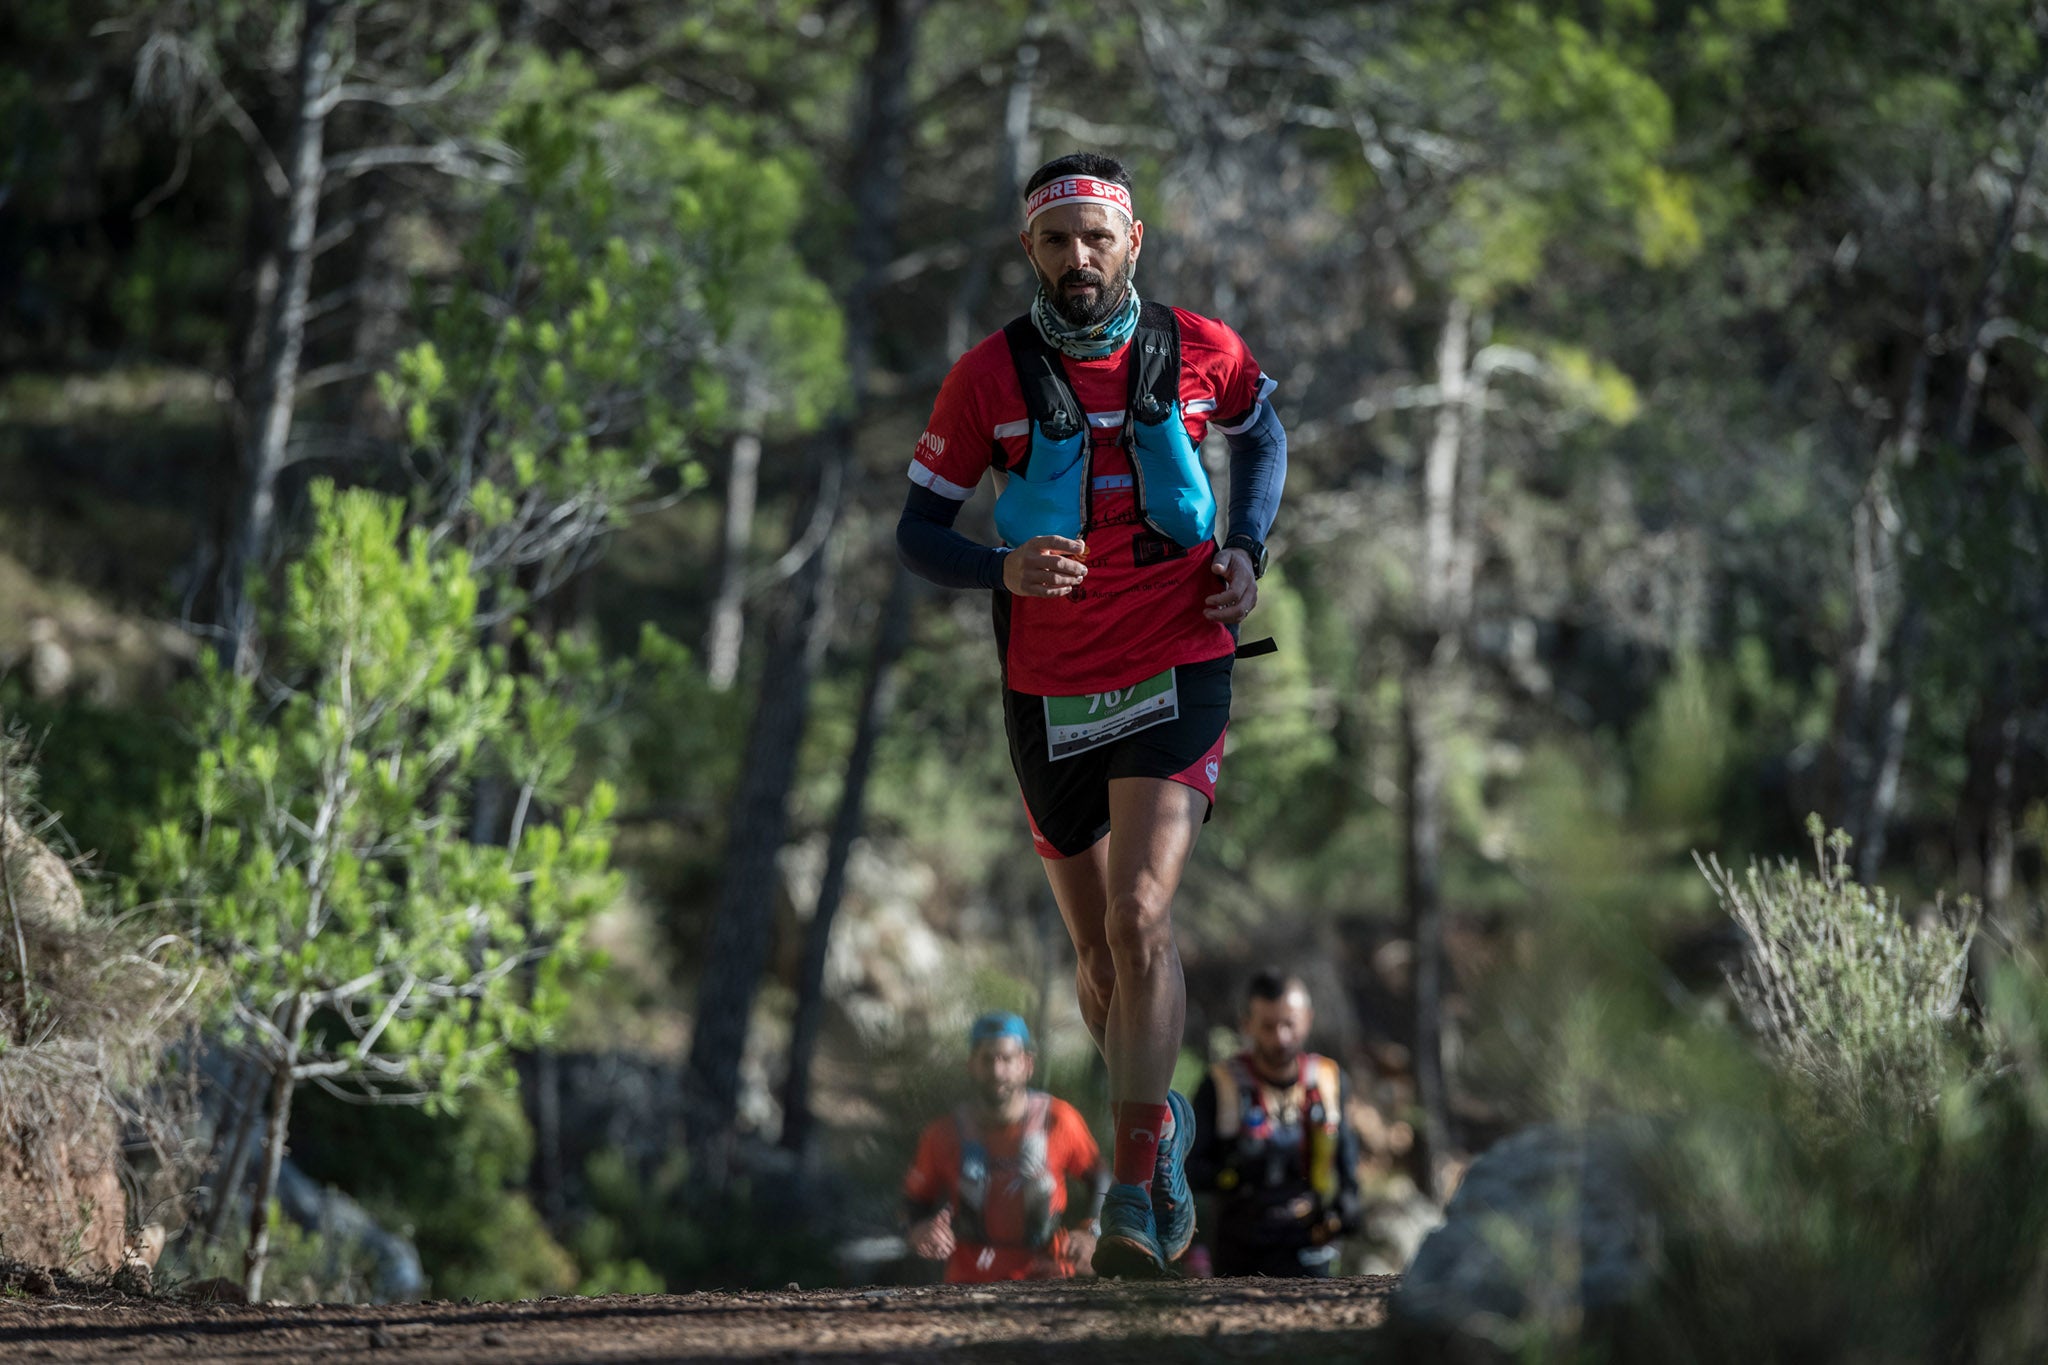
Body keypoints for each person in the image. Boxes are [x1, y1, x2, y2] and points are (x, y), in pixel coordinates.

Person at [895, 150, 1287, 1278]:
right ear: (1030, 250)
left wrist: (1247, 552)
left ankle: (1124, 1190)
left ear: (1132, 241)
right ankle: (1154, 1136)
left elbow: (1261, 431)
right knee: (1098, 962)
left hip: (1178, 660)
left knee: (1142, 917)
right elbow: (917, 530)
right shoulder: (984, 379)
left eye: (1095, 237)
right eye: (1055, 239)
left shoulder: (1202, 348)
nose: (1077, 257)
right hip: (1050, 684)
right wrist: (998, 570)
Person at [901, 1012, 1109, 1282]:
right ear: (971, 1065)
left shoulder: (1059, 1120)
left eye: (1007, 1059)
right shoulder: (942, 1134)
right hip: (966, 1284)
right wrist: (920, 1231)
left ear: (1027, 1064)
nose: (997, 1072)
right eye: (987, 1059)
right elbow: (913, 1203)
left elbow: (1101, 1176)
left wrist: (1092, 1230)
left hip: (1047, 1279)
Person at [1187, 970, 1362, 1278]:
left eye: (1289, 1025)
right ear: (1247, 1025)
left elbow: (1345, 1155)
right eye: (1268, 1027)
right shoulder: (1220, 1084)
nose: (1280, 1038)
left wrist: (1348, 1201)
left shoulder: (1328, 1080)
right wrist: (1232, 1174)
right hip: (1239, 1246)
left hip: (1311, 1240)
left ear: (1307, 1019)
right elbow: (1190, 1168)